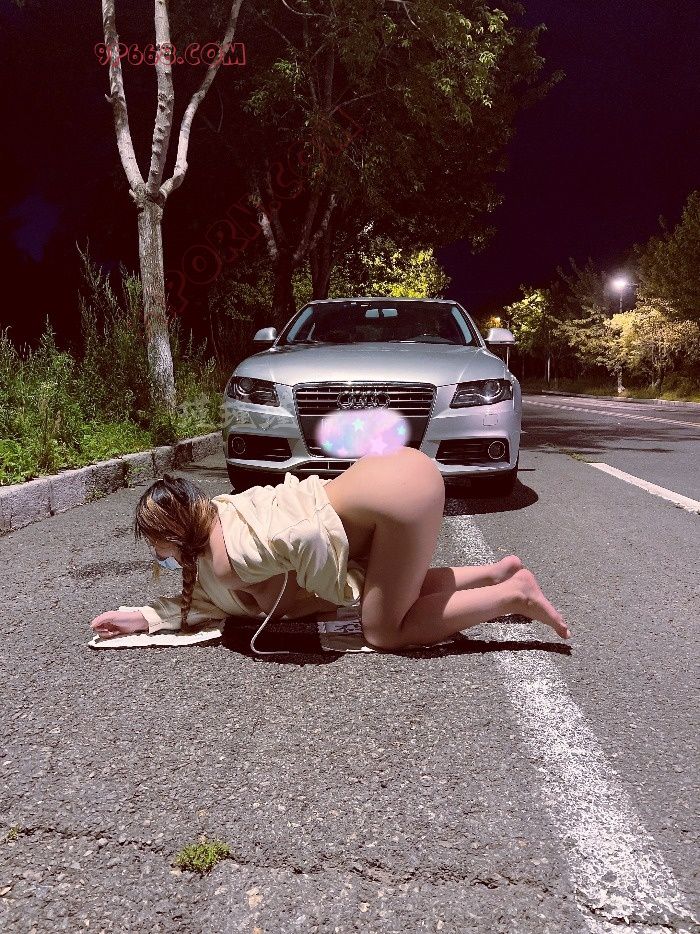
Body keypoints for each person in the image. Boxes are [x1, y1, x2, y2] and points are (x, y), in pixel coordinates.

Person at [89, 447, 570, 651]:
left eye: (158, 549)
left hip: (397, 499)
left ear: (174, 536)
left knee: (383, 629)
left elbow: (306, 546)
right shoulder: (221, 510)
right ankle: (495, 572)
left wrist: (332, 587)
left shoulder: (226, 560)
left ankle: (512, 595)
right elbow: (199, 599)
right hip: (394, 469)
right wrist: (143, 617)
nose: (161, 558)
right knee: (388, 586)